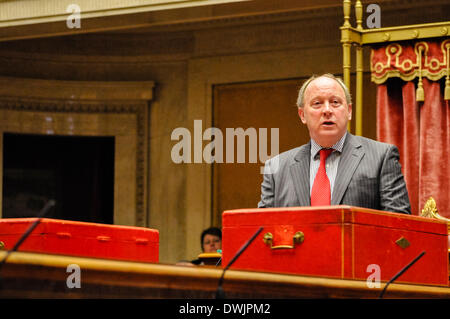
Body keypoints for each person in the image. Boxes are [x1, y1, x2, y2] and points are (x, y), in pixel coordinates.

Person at [258, 73, 411, 214]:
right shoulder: (276, 168)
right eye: (317, 103)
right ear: (302, 114)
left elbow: (399, 225)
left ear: (349, 111)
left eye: (335, 102)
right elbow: (261, 230)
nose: (327, 110)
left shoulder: (381, 157)